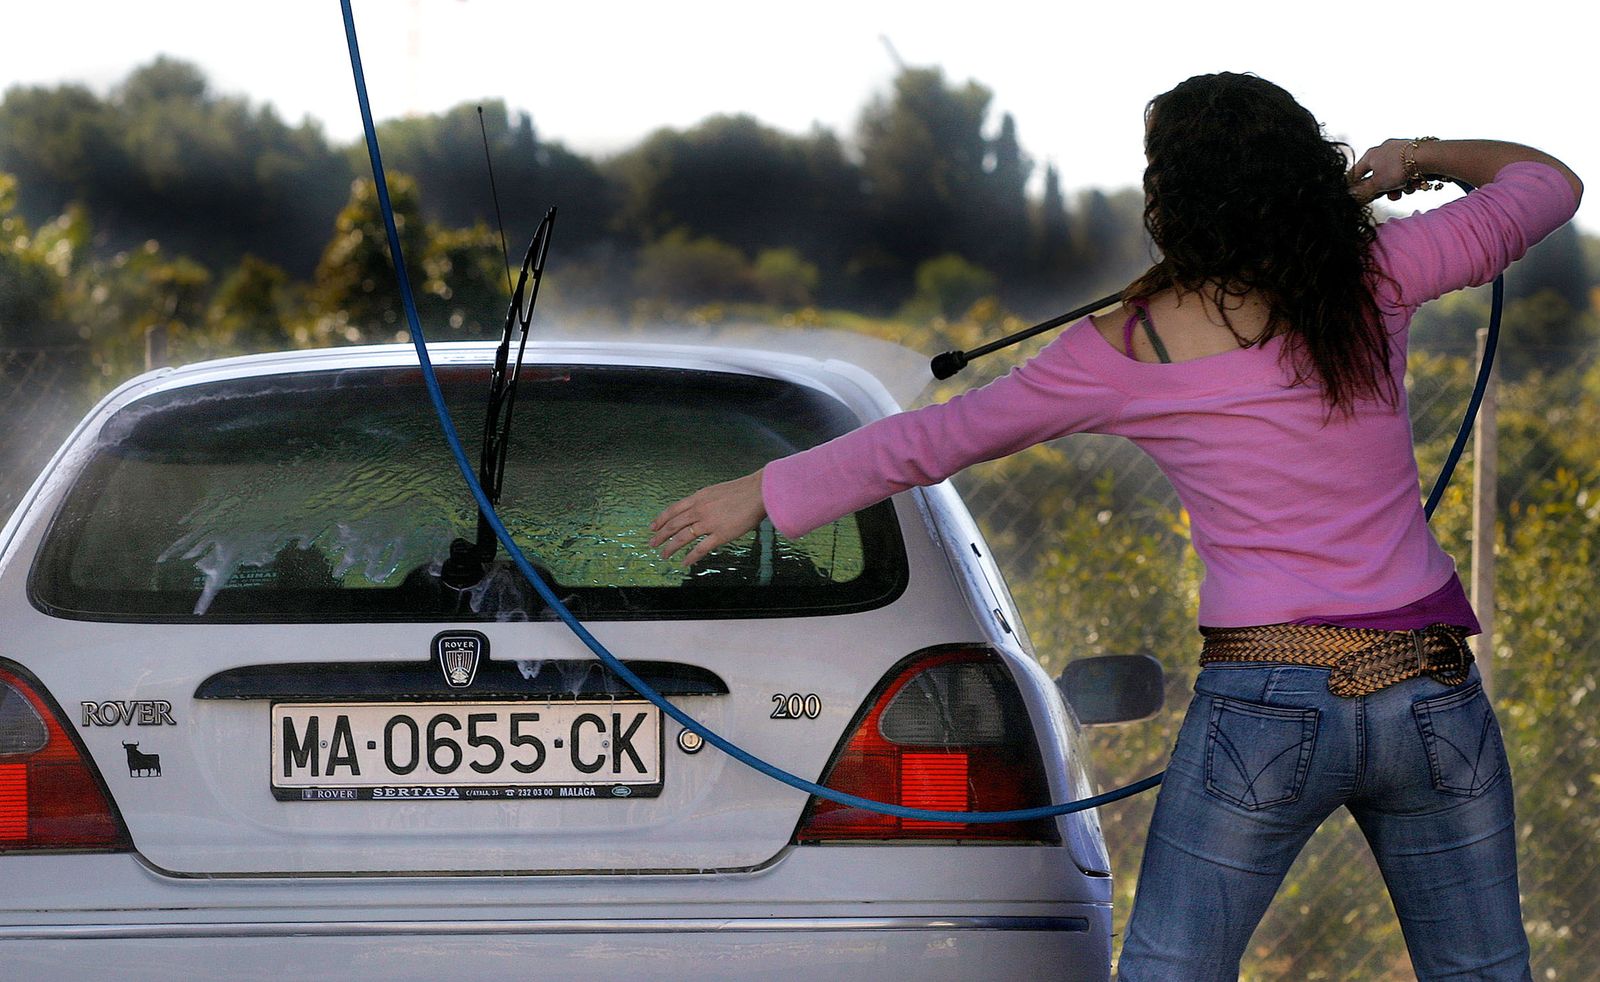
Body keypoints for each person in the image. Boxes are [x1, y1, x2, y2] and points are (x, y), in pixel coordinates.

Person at [649, 72, 1582, 980]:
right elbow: (1549, 186)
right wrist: (1413, 158)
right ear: (1304, 172)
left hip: (1268, 707)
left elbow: (937, 439)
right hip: (1431, 693)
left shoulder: (1132, 348)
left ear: (1171, 201)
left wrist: (767, 491)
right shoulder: (1375, 275)